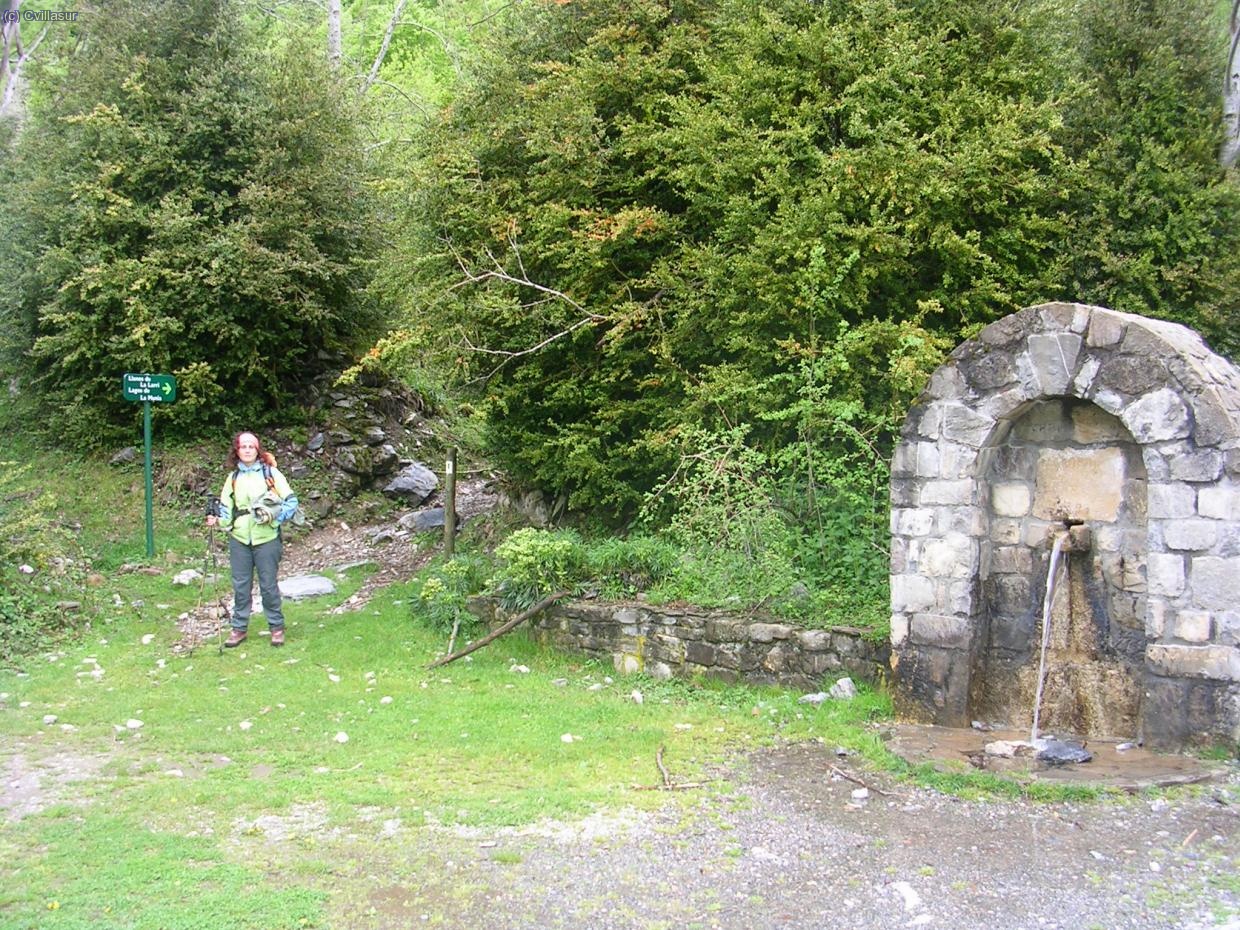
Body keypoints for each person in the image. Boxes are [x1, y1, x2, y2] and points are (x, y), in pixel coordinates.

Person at [205, 431, 299, 648]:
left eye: (251, 446)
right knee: (240, 586)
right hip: (239, 539)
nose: (247, 450)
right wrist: (217, 521)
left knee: (268, 585)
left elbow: (291, 501)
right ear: (236, 451)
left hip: (267, 538)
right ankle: (239, 629)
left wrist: (275, 520)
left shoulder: (271, 473)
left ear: (258, 450)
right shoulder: (233, 478)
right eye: (243, 446)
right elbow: (227, 510)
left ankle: (276, 627)